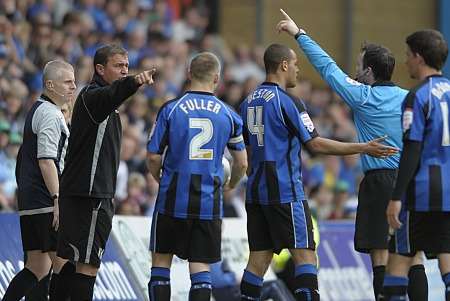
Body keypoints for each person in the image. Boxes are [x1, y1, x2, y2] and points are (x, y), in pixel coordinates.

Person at [277, 8, 428, 300]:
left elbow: (327, 68)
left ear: (369, 72)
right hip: (411, 179)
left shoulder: (363, 96)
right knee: (414, 255)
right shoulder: (410, 98)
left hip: (380, 182)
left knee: (381, 257)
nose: (355, 71)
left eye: (359, 66)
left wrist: (299, 34)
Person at [238, 42, 398, 301]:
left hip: (256, 193)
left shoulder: (247, 103)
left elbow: (245, 149)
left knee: (258, 258)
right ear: (284, 65)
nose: (298, 71)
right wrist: (362, 147)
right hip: (285, 192)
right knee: (306, 256)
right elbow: (315, 144)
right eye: (296, 65)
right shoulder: (288, 102)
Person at [56, 44, 156, 301]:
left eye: (127, 66)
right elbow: (115, 93)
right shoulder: (93, 97)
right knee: (88, 265)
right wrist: (134, 81)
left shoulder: (102, 102)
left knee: (69, 262)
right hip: (91, 196)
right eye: (118, 66)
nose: (124, 71)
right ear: (100, 69)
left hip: (81, 192)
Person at [146, 52, 248, 301]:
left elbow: (152, 156)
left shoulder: (171, 109)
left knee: (161, 262)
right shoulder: (229, 114)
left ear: (189, 74)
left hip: (172, 197)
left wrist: (159, 178)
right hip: (207, 202)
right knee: (201, 267)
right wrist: (231, 183)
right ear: (217, 78)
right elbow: (242, 162)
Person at [383, 29, 450, 300]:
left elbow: (412, 148)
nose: (406, 61)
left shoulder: (418, 96)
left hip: (421, 193)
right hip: (448, 193)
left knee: (399, 258)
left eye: (408, 55)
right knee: (446, 254)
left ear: (419, 58)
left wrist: (397, 197)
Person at [2, 60, 76, 301]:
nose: (73, 86)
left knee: (37, 267)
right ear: (50, 84)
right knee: (65, 266)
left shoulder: (39, 109)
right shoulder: (50, 114)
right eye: (67, 82)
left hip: (31, 199)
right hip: (46, 200)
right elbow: (47, 160)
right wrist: (57, 198)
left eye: (74, 81)